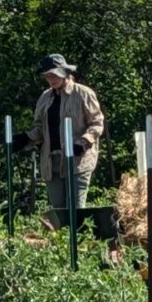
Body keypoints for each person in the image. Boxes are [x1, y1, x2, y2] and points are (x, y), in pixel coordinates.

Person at [34, 53, 105, 223]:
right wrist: (25, 139)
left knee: (76, 210)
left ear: (65, 73)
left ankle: (79, 245)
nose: (52, 79)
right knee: (58, 213)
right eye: (48, 76)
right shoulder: (45, 97)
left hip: (78, 161)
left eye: (55, 74)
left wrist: (84, 142)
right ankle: (62, 246)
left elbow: (97, 123)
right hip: (52, 163)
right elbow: (39, 128)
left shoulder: (83, 93)